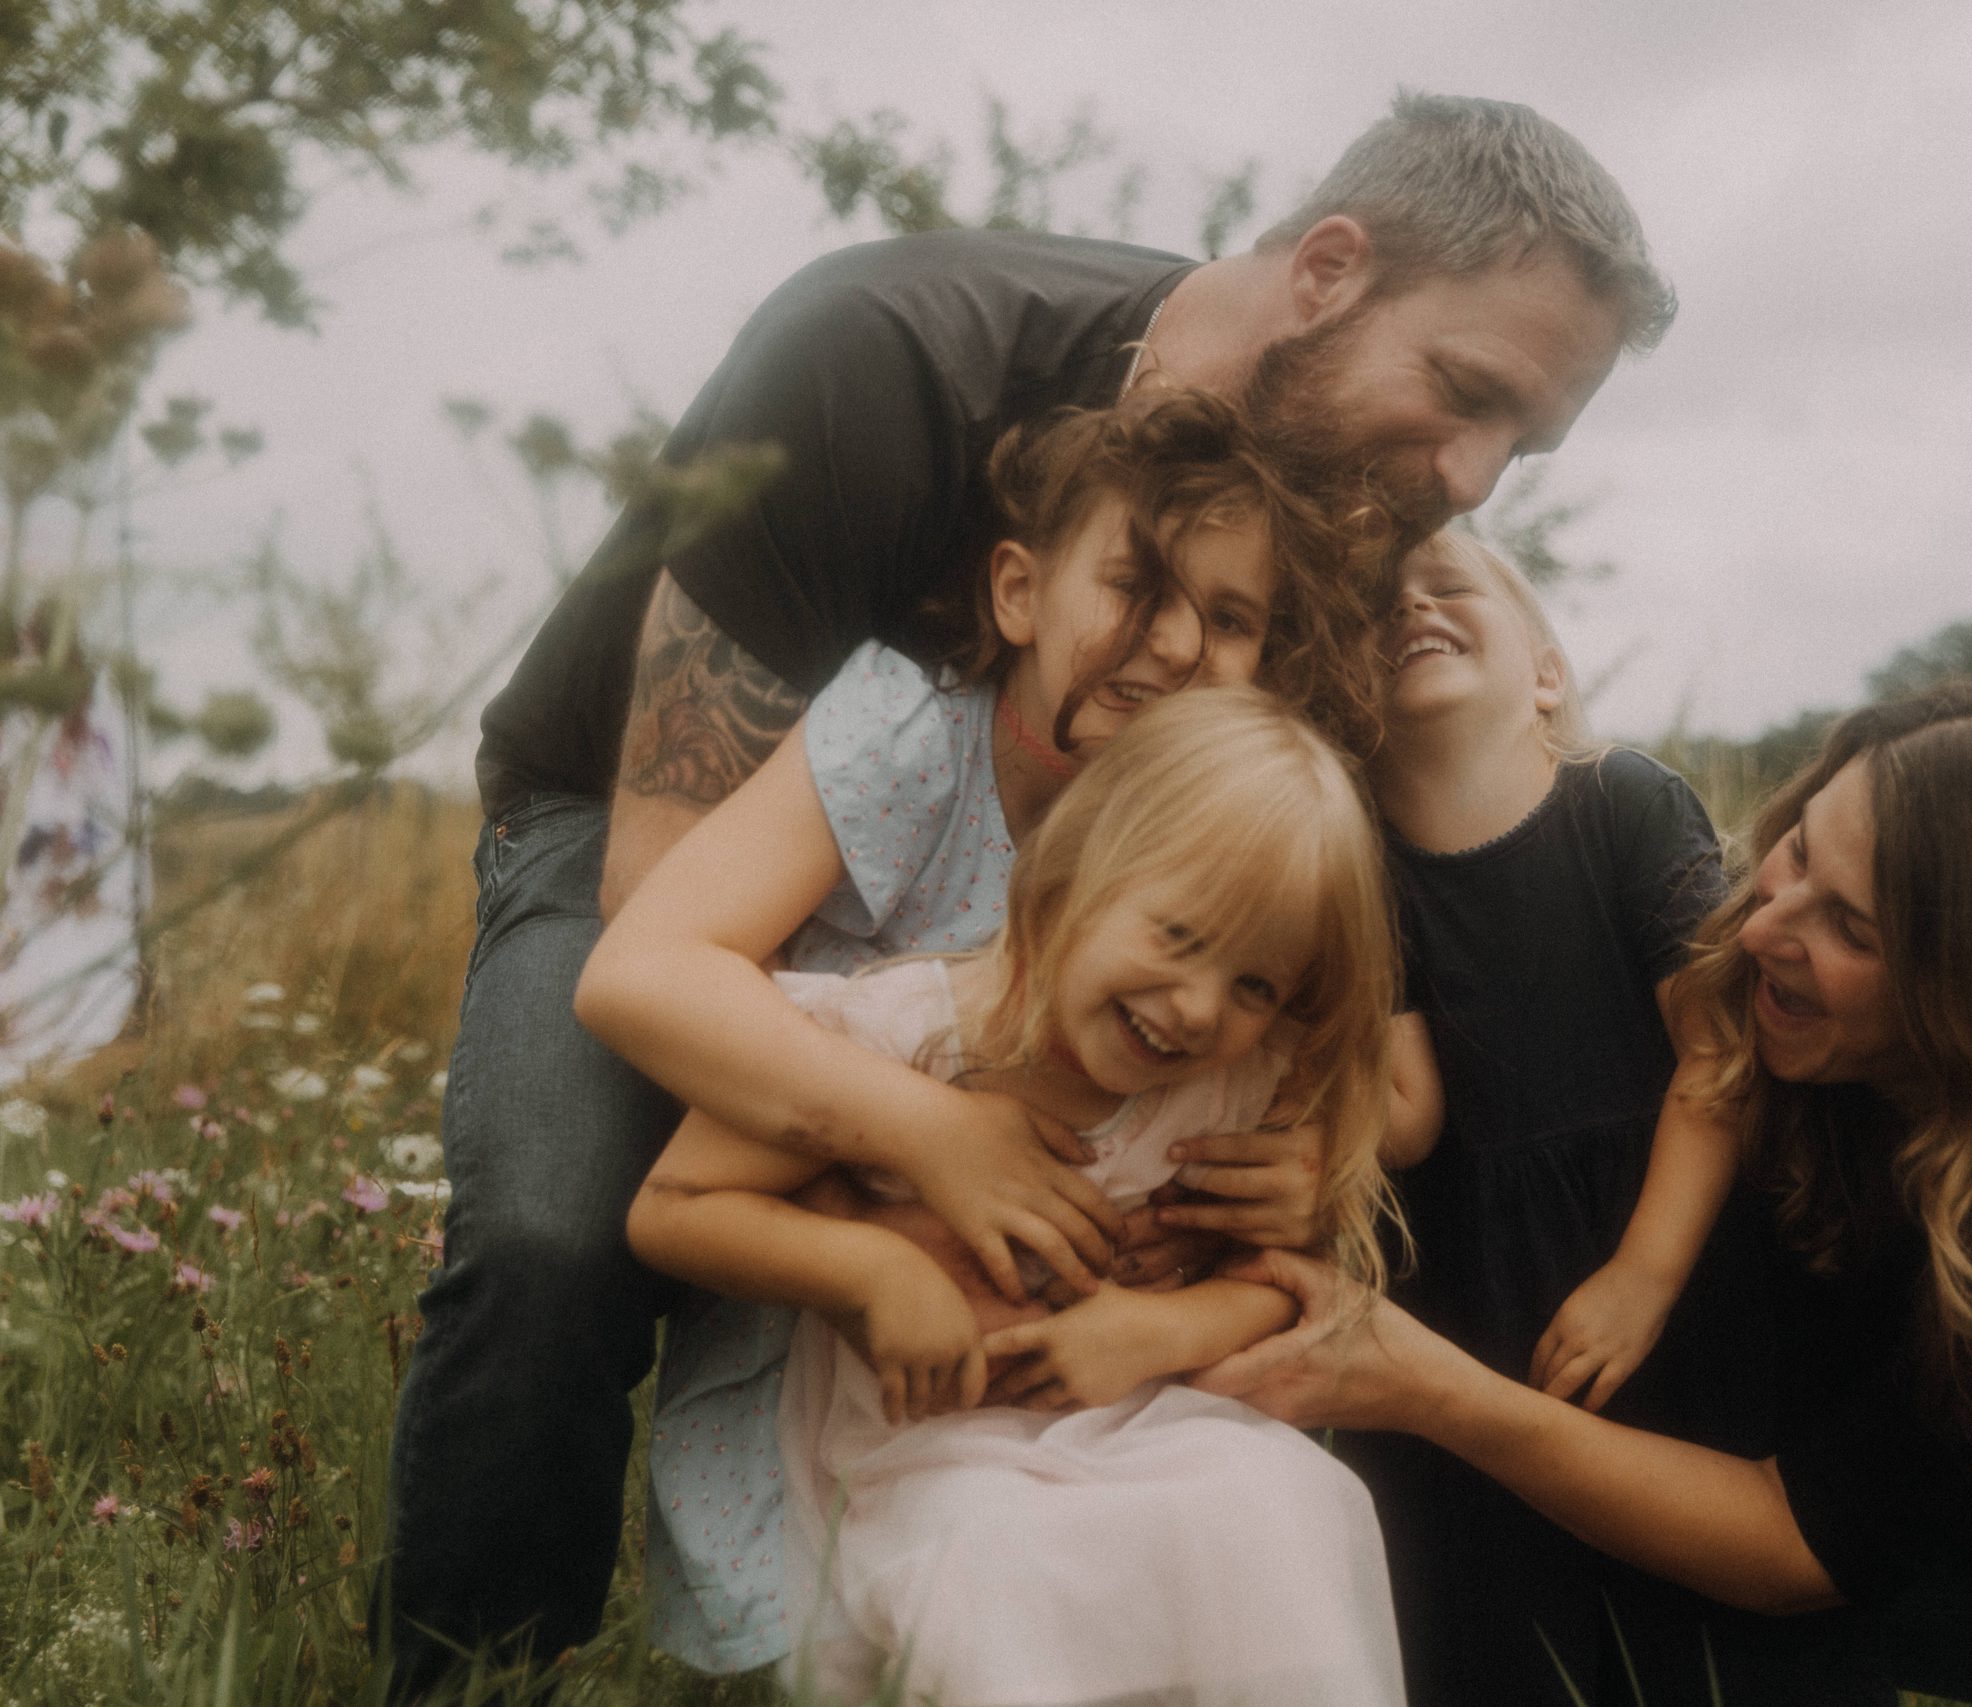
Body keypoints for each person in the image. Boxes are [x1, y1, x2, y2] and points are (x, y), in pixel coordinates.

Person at [385, 91, 1671, 1687]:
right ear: (1331, 270)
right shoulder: (884, 353)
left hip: (1094, 909)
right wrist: (937, 1131)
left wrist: (1282, 1147)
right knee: (558, 1221)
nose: (1476, 480)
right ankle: (472, 1663)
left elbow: (1319, 978)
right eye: (1467, 394)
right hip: (682, 835)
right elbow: (674, 921)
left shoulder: (1343, 519)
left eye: (1523, 445)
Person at [1201, 679, 1972, 1707]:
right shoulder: (1767, 1010)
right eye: (1796, 850)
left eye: (1852, 929)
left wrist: (1420, 1385)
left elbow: (1791, 1546)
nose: (1765, 924)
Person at [572, 388, 1380, 1669]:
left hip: (1104, 1392)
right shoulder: (912, 741)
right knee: (992, 1566)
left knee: (1267, 1515)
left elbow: (1368, 1069)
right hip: (852, 1332)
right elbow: (638, 978)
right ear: (1018, 592)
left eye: (1229, 619)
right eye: (1138, 587)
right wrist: (934, 1140)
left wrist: (1309, 1162)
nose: (1174, 645)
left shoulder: (1243, 876)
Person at [622, 688, 1410, 1705]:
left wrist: (1155, 1331)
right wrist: (875, 1270)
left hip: (1146, 1422)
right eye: (1177, 935)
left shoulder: (1234, 1087)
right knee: (1003, 1562)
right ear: (1076, 874)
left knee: (1290, 1499)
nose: (1200, 1007)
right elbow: (676, 1207)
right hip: (927, 1453)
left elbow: (1292, 1281)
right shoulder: (905, 1035)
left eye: (1256, 985)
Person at [1355, 529, 1882, 1704]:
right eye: (1371, 607)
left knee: (1712, 1633)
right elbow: (1407, 1119)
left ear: (1544, 672)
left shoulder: (1623, 803)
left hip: (1674, 1249)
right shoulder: (1354, 867)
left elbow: (1717, 1048)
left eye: (1445, 585)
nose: (1408, 604)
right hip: (1471, 1286)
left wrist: (1644, 1275)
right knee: (1501, 1611)